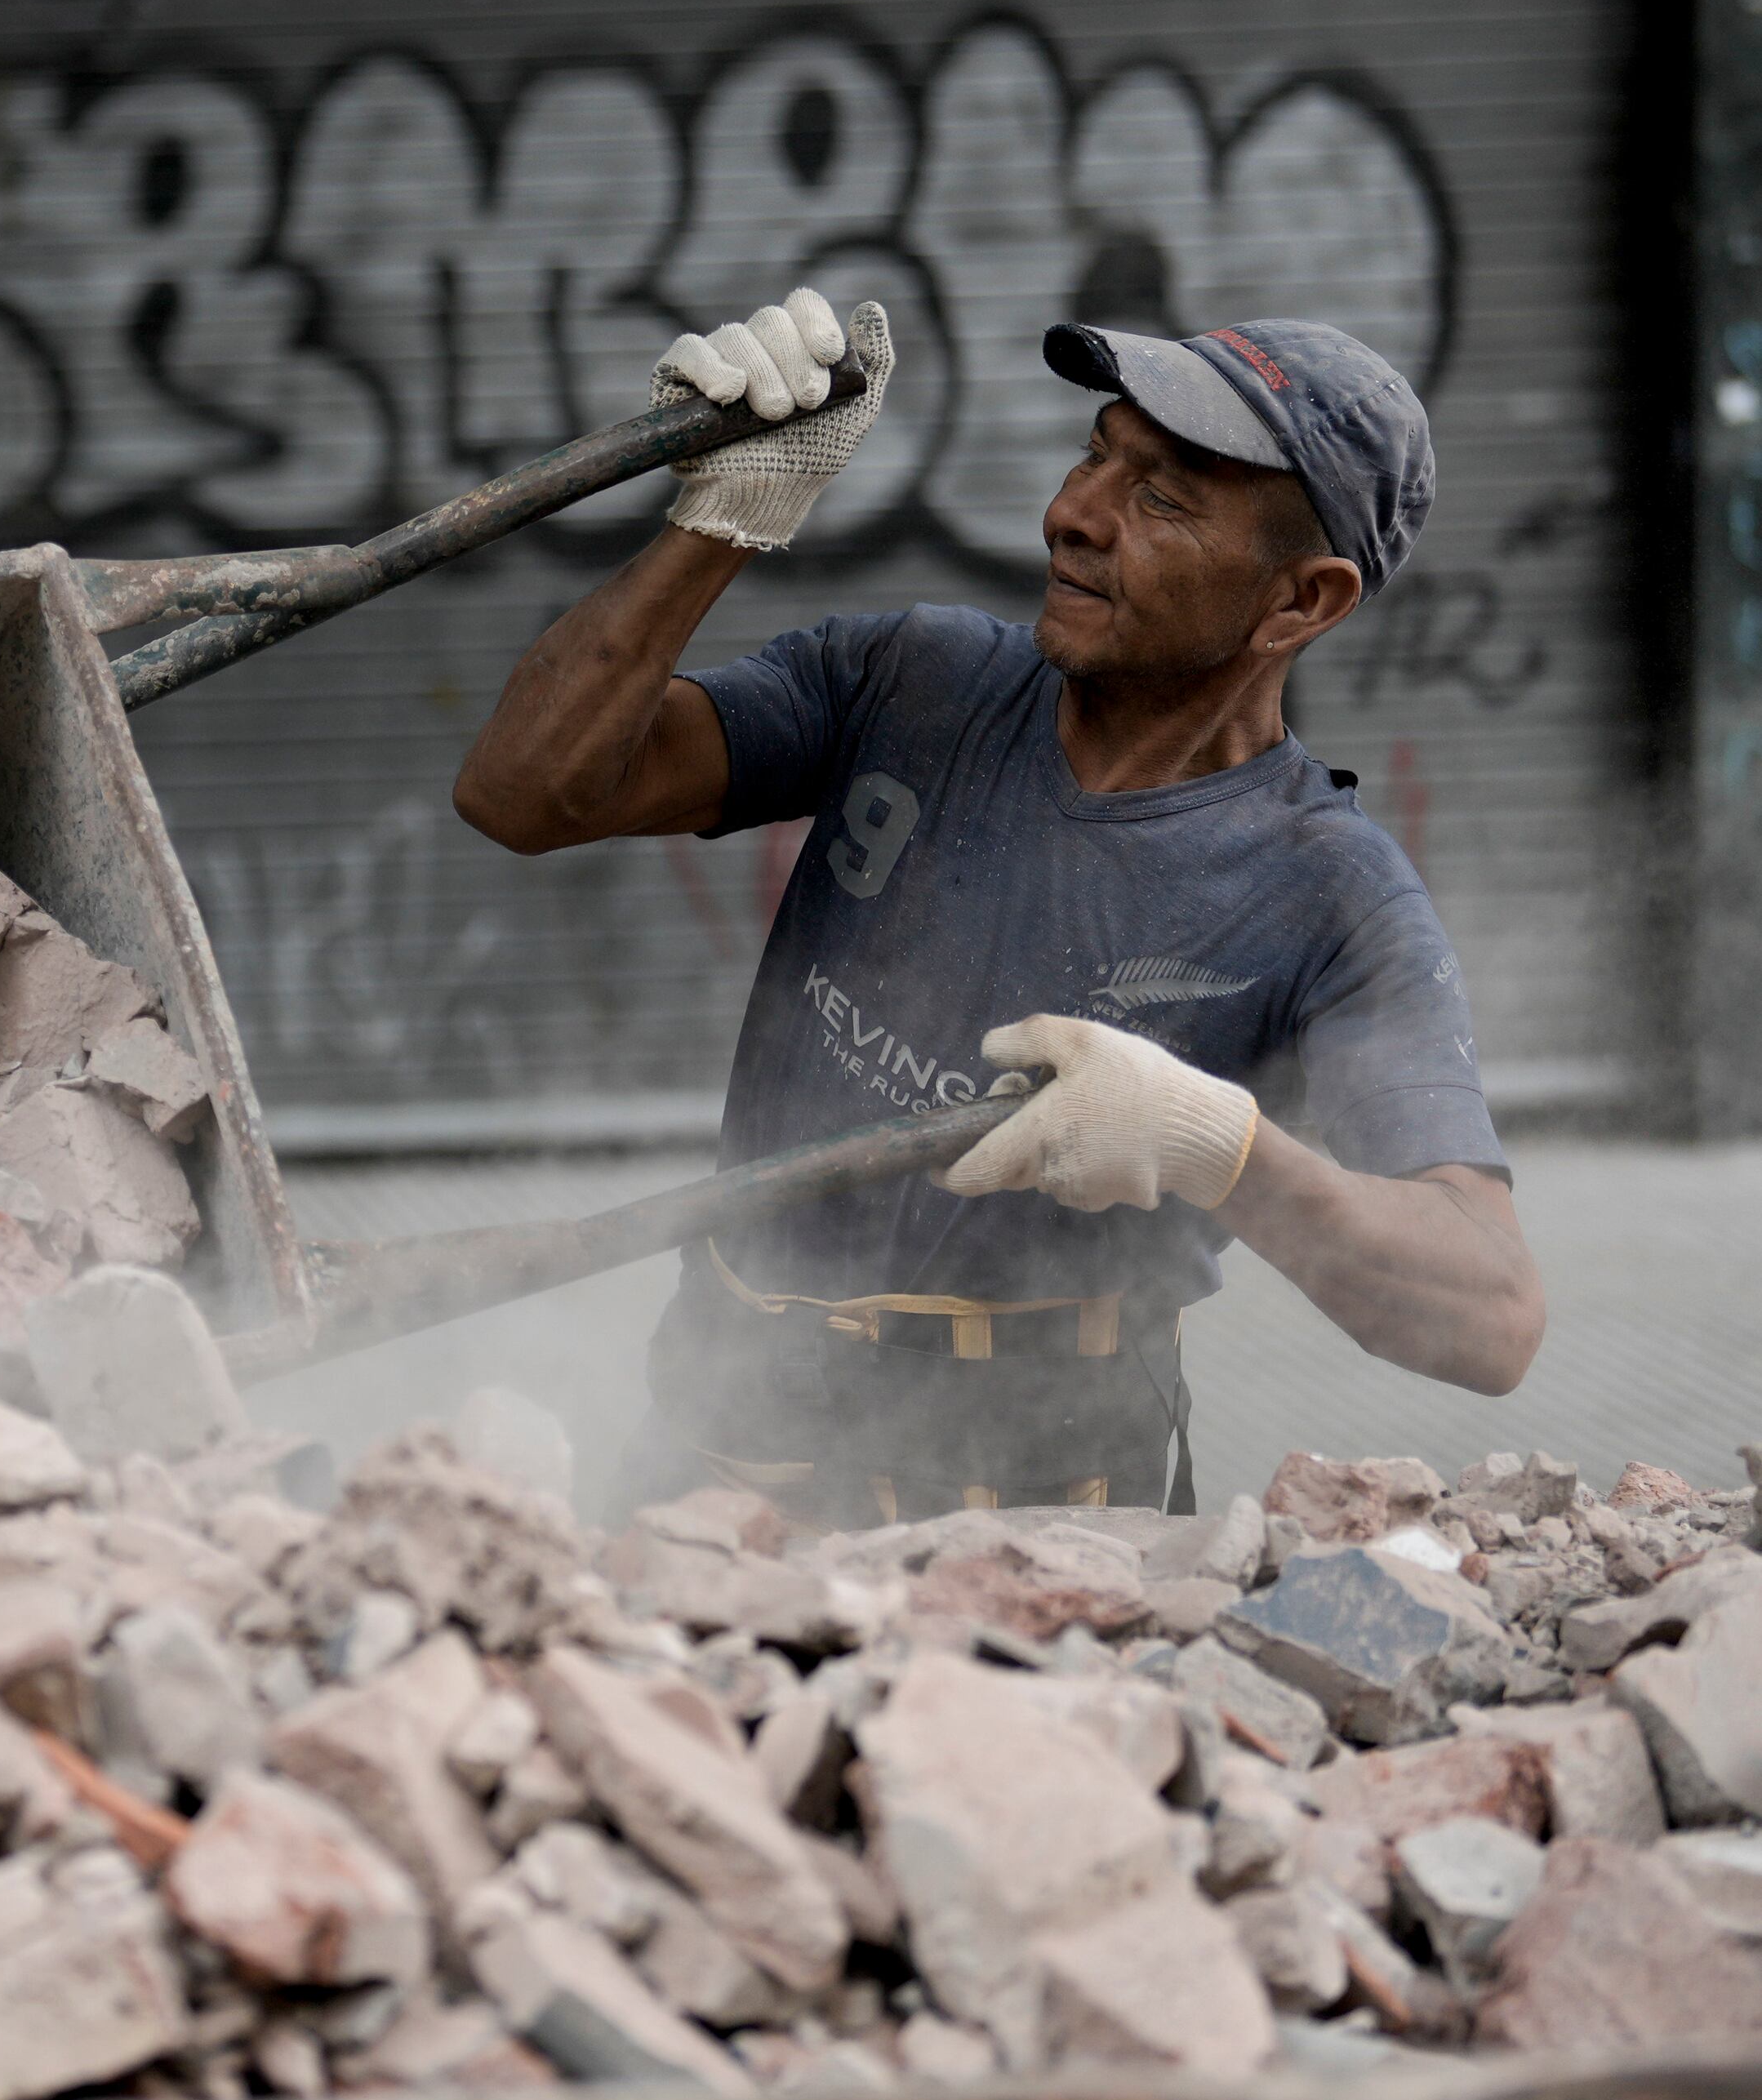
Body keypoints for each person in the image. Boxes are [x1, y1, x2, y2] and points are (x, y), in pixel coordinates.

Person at [452, 291, 1542, 1522]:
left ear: (1300, 602)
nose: (1072, 516)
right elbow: (520, 792)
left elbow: (1492, 1316)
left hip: (1040, 1551)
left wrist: (1215, 1148)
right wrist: (718, 520)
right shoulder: (912, 683)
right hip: (708, 1479)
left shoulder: (1327, 894)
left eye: (1162, 498)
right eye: (1095, 454)